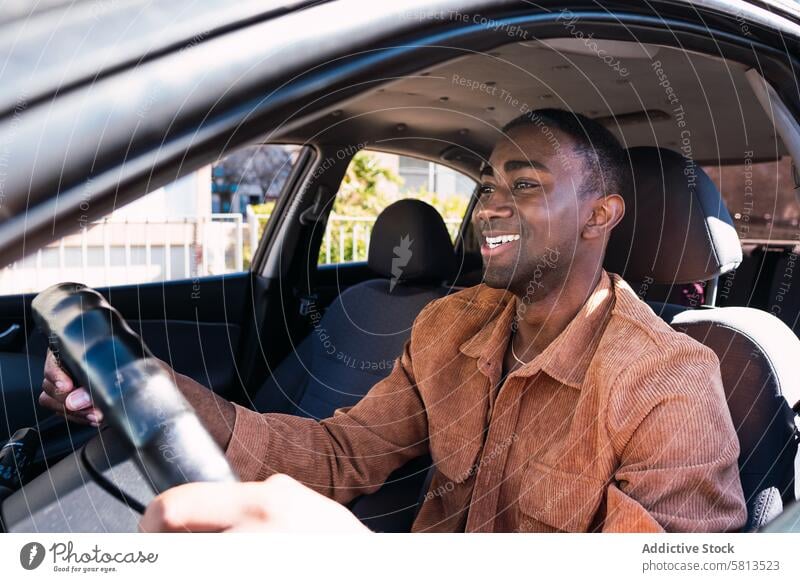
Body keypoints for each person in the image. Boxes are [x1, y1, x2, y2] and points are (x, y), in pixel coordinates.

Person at [40, 108, 748, 533]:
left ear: (599, 216)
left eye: (524, 185)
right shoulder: (450, 326)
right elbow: (340, 456)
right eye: (487, 184)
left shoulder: (669, 383)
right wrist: (166, 395)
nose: (489, 207)